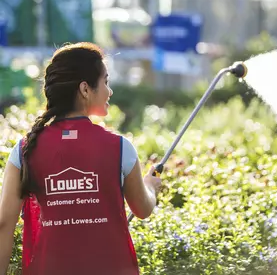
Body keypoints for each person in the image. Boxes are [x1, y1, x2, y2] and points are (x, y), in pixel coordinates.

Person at [0, 42, 162, 275]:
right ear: (85, 89)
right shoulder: (120, 147)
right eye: (105, 82)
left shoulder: (24, 149)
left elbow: (4, 224)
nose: (110, 91)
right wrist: (151, 184)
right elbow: (143, 208)